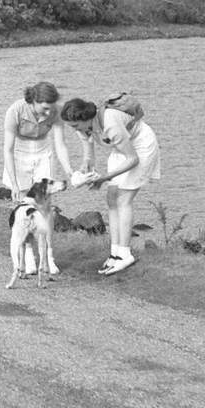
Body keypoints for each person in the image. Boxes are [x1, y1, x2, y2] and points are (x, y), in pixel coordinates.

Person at [60, 97, 162, 275]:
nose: (74, 130)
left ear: (85, 118)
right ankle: (115, 253)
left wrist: (104, 178)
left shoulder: (111, 125)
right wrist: (86, 168)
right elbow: (88, 152)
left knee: (124, 198)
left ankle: (125, 253)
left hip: (140, 146)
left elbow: (133, 159)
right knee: (111, 198)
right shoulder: (84, 127)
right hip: (120, 148)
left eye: (75, 126)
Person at [2, 81, 74, 274]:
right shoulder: (15, 111)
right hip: (19, 154)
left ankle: (48, 257)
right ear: (34, 100)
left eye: (51, 108)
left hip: (43, 152)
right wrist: (15, 184)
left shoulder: (55, 111)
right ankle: (28, 257)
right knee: (23, 208)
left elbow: (60, 144)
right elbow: (7, 150)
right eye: (45, 108)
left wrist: (70, 171)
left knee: (45, 208)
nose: (49, 113)